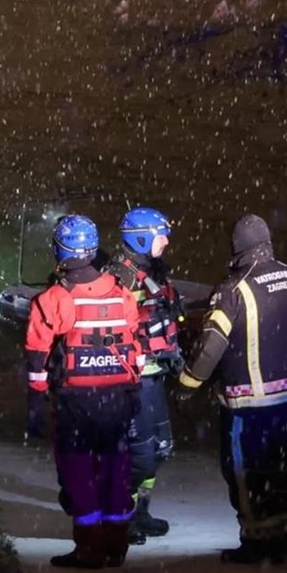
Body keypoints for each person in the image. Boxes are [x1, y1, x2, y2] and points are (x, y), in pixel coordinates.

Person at [176, 213, 287, 564]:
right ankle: (285, 537)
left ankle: (255, 542)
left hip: (248, 406)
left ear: (236, 248)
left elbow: (211, 347)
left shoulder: (232, 290)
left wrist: (186, 385)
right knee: (284, 467)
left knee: (245, 472)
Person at [25, 214, 144, 569]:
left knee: (79, 473)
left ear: (59, 249)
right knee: (115, 470)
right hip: (119, 400)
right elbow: (135, 344)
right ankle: (116, 544)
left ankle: (89, 548)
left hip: (76, 404)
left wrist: (36, 399)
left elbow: (36, 354)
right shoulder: (122, 293)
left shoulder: (54, 300)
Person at [102, 206, 183, 545]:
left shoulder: (155, 273)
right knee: (138, 454)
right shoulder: (120, 277)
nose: (166, 241)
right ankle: (121, 516)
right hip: (132, 381)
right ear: (141, 238)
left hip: (154, 376)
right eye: (160, 235)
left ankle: (140, 510)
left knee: (161, 447)